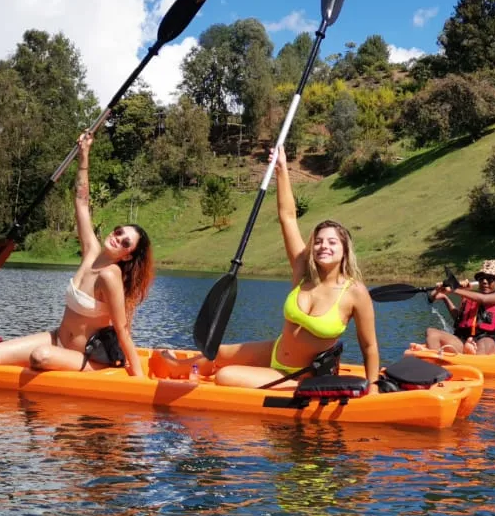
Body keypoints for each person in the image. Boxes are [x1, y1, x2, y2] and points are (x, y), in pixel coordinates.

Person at [159, 146, 380, 390]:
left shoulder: (354, 292)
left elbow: (369, 346)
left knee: (225, 376)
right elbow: (288, 217)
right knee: (217, 352)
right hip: (275, 351)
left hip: (302, 377)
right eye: (318, 241)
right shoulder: (303, 271)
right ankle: (178, 368)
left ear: (345, 249)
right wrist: (282, 169)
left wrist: (373, 387)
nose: (323, 246)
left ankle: (277, 385)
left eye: (331, 242)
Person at [0, 131, 153, 376]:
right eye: (118, 231)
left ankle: (82, 368)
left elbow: (122, 329)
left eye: (125, 243)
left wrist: (139, 378)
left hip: (87, 357)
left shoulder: (110, 275)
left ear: (127, 256)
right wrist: (84, 156)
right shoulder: (91, 252)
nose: (117, 238)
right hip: (57, 340)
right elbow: (81, 202)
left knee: (40, 356)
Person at [413, 259, 495, 356]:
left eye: (490, 278)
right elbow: (458, 318)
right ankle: (436, 362)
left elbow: (484, 299)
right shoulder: (471, 296)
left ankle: (473, 357)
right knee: (431, 333)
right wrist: (444, 295)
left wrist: (454, 288)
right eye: (481, 278)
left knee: (484, 344)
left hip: (490, 340)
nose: (484, 281)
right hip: (464, 340)